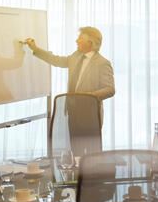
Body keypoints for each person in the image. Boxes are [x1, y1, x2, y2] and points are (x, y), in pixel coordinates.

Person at [24, 27, 115, 155]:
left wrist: (89, 96)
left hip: (90, 114)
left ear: (90, 43)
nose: (77, 41)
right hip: (73, 111)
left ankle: (91, 174)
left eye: (80, 39)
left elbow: (110, 89)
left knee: (92, 153)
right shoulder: (76, 56)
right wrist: (36, 49)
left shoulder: (102, 63)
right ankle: (77, 174)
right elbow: (57, 60)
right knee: (76, 151)